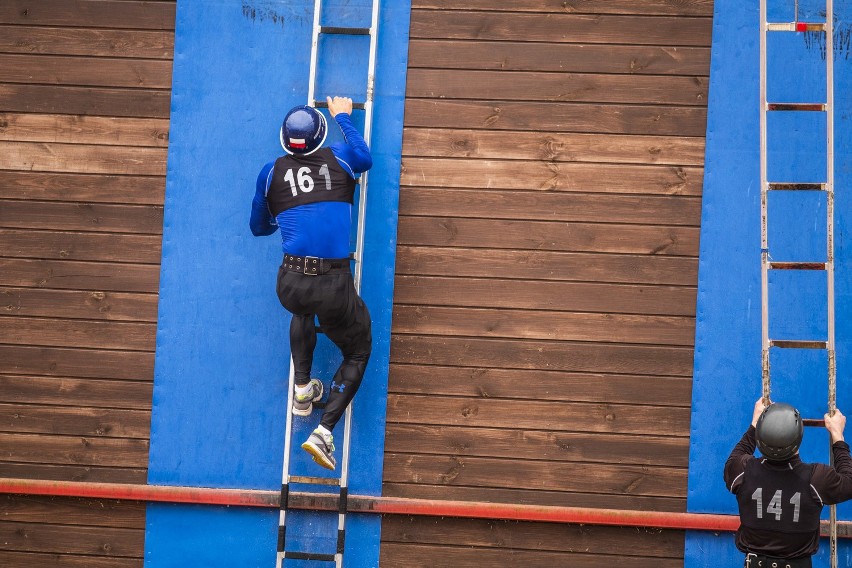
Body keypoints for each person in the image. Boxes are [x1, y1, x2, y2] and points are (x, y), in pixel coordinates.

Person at [249, 96, 372, 471]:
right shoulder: (340, 157)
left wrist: (280, 219)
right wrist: (343, 118)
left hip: (290, 282)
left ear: (285, 142)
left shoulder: (270, 173)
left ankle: (303, 387)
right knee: (358, 349)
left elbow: (259, 227)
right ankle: (324, 432)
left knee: (301, 309)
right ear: (320, 136)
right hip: (332, 283)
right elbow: (364, 156)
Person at [724, 398, 852, 567]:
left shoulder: (742, 471)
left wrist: (755, 423)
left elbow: (734, 458)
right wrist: (837, 435)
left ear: (760, 437)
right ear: (798, 438)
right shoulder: (817, 479)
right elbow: (849, 482)